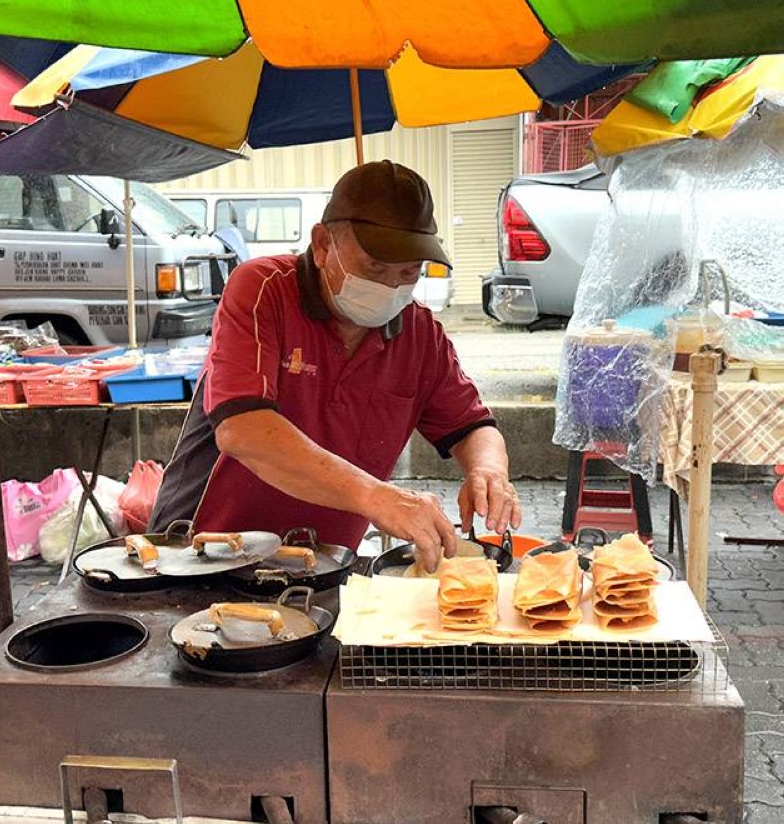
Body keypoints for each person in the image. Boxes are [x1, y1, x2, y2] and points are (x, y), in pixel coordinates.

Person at [148, 160, 520, 572]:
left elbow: (472, 427)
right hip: (203, 551)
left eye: (408, 272)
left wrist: (488, 470)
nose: (390, 286)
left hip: (321, 563)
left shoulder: (420, 334)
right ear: (323, 245)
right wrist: (379, 497)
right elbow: (244, 430)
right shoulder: (262, 289)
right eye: (375, 267)